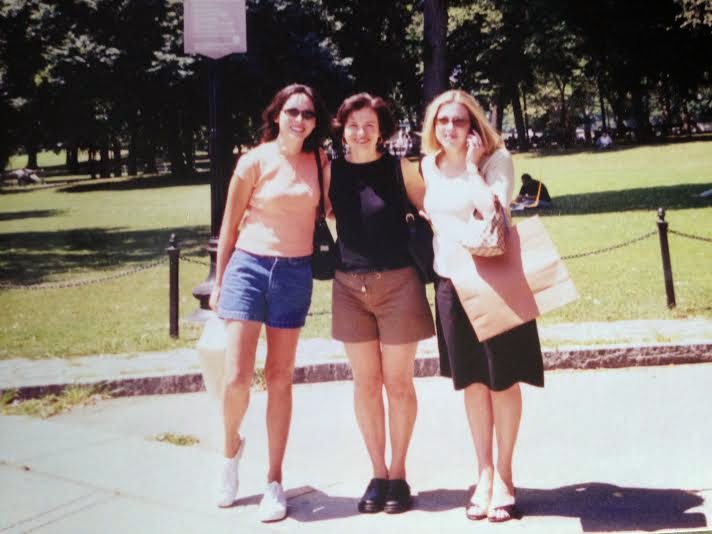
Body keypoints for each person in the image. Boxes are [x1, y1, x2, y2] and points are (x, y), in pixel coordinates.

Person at [419, 90, 544, 523]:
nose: (449, 128)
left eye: (458, 120)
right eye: (441, 121)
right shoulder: (428, 165)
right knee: (472, 381)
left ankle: (505, 476)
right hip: (450, 283)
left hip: (493, 281)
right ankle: (484, 474)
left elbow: (494, 209)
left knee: (502, 380)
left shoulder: (496, 161)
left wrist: (472, 167)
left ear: (474, 125)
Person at [209, 83, 330, 522]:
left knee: (280, 377)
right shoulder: (253, 161)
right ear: (277, 114)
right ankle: (230, 453)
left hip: (294, 273)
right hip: (248, 267)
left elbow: (333, 212)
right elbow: (229, 225)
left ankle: (274, 479)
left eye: (308, 114)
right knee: (237, 377)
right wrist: (220, 280)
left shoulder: (320, 162)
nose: (300, 120)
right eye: (292, 111)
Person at [323, 93, 435, 514]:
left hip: (399, 284)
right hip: (349, 287)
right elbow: (321, 211)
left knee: (398, 383)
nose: (361, 132)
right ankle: (377, 472)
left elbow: (431, 211)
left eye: (369, 125)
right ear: (343, 130)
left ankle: (399, 473)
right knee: (365, 384)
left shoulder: (399, 169)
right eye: (353, 125)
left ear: (381, 131)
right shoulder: (331, 171)